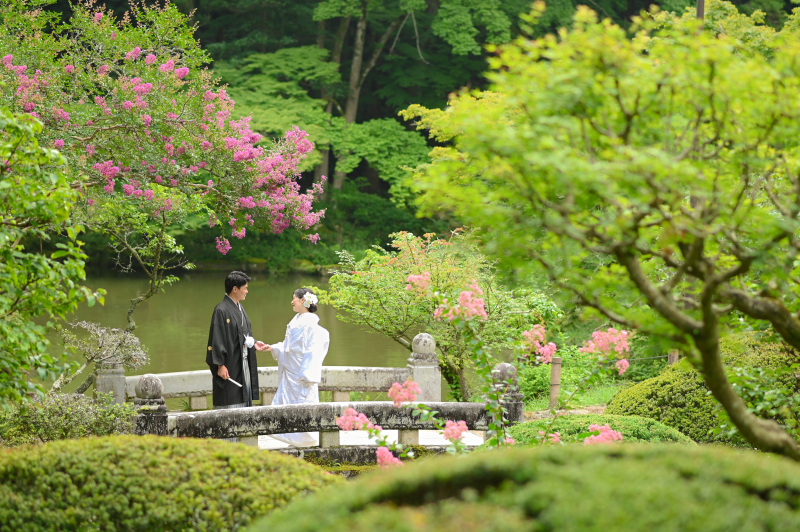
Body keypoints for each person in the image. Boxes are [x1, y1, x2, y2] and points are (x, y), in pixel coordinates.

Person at [256, 287, 330, 447]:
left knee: (304, 406)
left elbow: (312, 350)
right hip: (290, 373)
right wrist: (273, 348)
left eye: (294, 298)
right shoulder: (295, 320)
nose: (292, 301)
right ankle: (292, 439)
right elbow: (288, 347)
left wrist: (308, 373)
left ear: (303, 300)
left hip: (302, 374)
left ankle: (306, 441)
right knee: (287, 405)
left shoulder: (311, 324)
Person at [206, 271, 265, 426]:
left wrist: (254, 342)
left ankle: (243, 433)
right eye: (244, 288)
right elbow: (217, 337)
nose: (247, 291)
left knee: (244, 394)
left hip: (242, 362)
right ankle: (229, 437)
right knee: (230, 396)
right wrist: (220, 364)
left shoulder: (239, 308)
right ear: (235, 289)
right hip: (229, 364)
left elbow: (242, 334)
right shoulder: (221, 309)